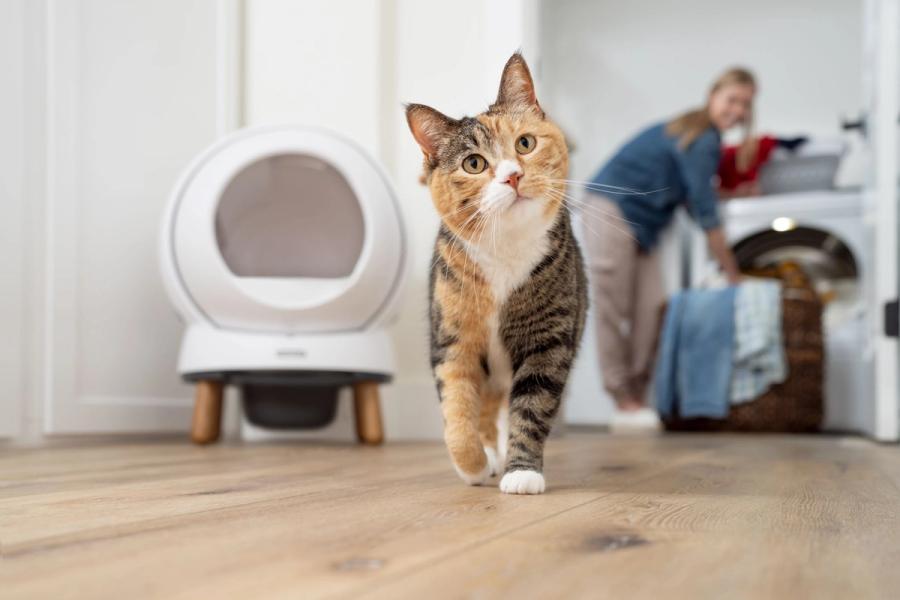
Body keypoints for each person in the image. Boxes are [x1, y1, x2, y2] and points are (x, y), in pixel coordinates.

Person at [583, 67, 755, 427]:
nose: (737, 110)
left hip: (642, 225)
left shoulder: (697, 134)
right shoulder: (701, 136)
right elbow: (706, 214)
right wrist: (733, 272)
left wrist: (731, 194)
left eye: (745, 105)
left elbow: (696, 195)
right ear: (713, 96)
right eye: (732, 99)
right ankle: (622, 398)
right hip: (610, 209)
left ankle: (637, 396)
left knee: (653, 307)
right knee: (613, 307)